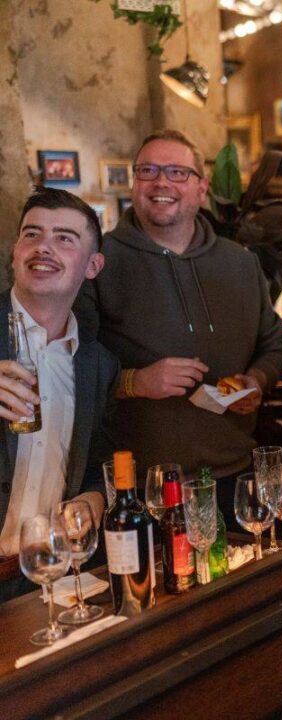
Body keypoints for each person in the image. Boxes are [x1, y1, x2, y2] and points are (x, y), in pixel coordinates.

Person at [76, 128, 282, 513]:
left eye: (177, 172)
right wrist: (135, 382)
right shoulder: (97, 262)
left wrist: (256, 380)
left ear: (202, 187)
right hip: (141, 488)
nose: (161, 182)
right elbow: (71, 366)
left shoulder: (240, 262)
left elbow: (273, 343)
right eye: (148, 171)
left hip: (234, 477)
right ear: (134, 182)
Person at [0, 188, 118, 602]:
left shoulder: (98, 365)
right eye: (31, 234)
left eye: (64, 238)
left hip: (47, 579)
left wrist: (95, 498)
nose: (44, 248)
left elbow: (95, 463)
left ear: (93, 265)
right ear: (15, 252)